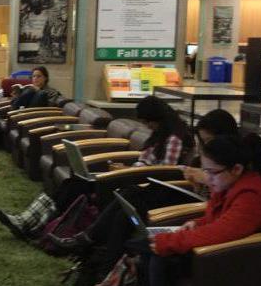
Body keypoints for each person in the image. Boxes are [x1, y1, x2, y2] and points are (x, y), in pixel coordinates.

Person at [115, 133, 261, 286]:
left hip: (239, 264)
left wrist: (170, 241)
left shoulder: (252, 194)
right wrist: (196, 223)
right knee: (149, 251)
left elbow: (223, 231)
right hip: (222, 256)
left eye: (212, 172)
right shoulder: (231, 185)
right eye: (206, 171)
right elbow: (218, 220)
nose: (208, 178)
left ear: (236, 169)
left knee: (160, 257)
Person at [46, 109, 239, 262]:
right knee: (125, 204)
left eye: (207, 141)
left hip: (191, 203)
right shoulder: (173, 142)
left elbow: (216, 204)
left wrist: (204, 179)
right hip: (186, 193)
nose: (205, 146)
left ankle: (89, 243)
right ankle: (99, 260)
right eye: (202, 142)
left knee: (132, 196)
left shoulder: (229, 165)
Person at [0, 95, 195, 241]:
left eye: (147, 122)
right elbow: (147, 163)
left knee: (77, 185)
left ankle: (33, 225)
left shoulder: (174, 139)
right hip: (132, 176)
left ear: (157, 119)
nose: (147, 126)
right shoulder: (160, 135)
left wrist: (129, 171)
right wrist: (126, 168)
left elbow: (164, 172)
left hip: (141, 185)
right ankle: (28, 220)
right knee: (73, 182)